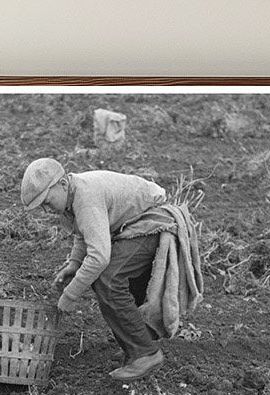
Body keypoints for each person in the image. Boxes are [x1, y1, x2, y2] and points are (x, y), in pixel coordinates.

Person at [21, 157, 201, 382]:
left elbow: (99, 257)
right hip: (133, 225)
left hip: (153, 221)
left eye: (47, 202)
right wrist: (74, 265)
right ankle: (138, 346)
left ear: (63, 184)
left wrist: (70, 296)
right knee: (110, 280)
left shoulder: (85, 196)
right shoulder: (75, 194)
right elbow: (86, 232)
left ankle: (145, 353)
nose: (47, 211)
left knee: (108, 278)